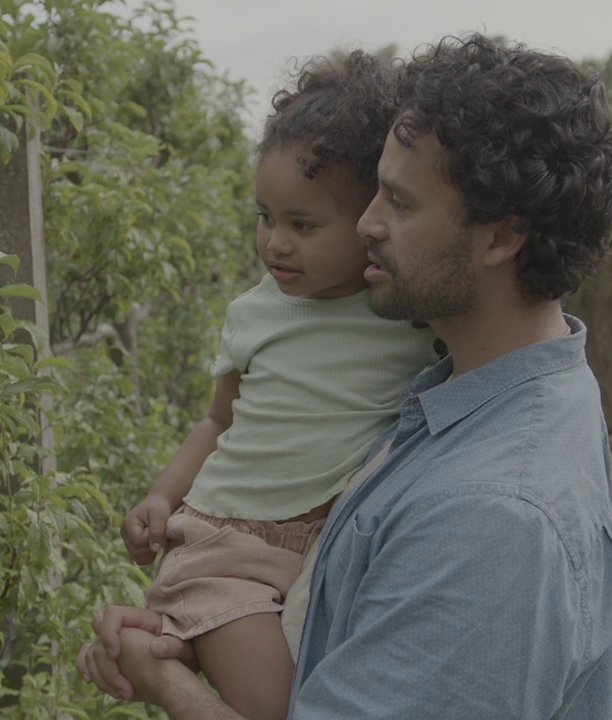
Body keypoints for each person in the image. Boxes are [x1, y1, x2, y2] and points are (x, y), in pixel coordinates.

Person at [79, 32, 612, 719]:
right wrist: (206, 630)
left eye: (398, 203)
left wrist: (162, 680)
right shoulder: (499, 391)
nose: (367, 223)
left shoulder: (494, 519)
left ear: (501, 236)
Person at [115, 50, 439, 720]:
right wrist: (160, 495)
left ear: (371, 221)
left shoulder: (406, 321)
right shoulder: (255, 313)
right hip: (223, 548)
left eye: (303, 225)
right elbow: (216, 423)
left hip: (318, 553)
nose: (276, 244)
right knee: (274, 709)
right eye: (266, 217)